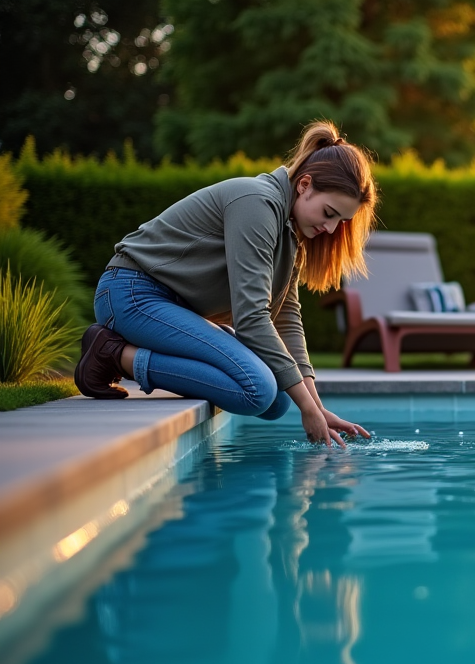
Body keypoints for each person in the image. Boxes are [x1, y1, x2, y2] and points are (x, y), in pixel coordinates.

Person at [74, 121, 373, 447]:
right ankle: (114, 355)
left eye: (339, 221)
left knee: (277, 401)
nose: (331, 229)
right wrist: (308, 410)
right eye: (329, 213)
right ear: (304, 184)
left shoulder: (290, 234)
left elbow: (287, 319)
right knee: (257, 389)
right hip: (132, 294)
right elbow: (251, 319)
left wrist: (317, 407)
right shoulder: (258, 203)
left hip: (172, 308)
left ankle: (121, 354)